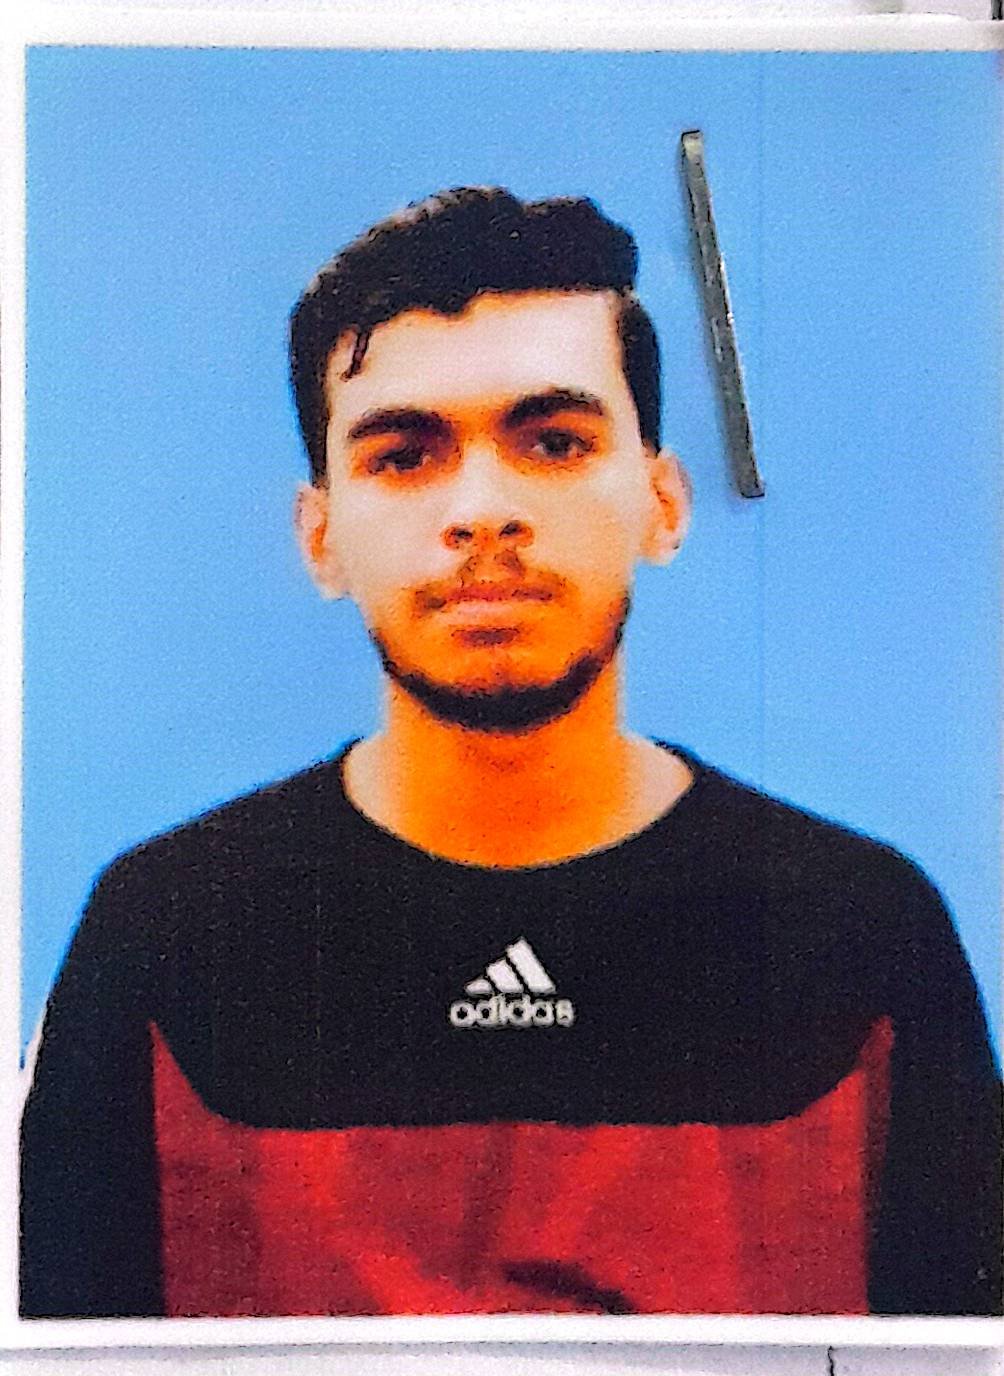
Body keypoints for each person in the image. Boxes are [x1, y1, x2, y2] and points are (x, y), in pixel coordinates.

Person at [20, 187, 1001, 1321]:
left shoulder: (857, 928)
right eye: (404, 456)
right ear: (320, 535)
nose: (482, 512)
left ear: (662, 502)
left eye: (553, 443)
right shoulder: (167, 932)